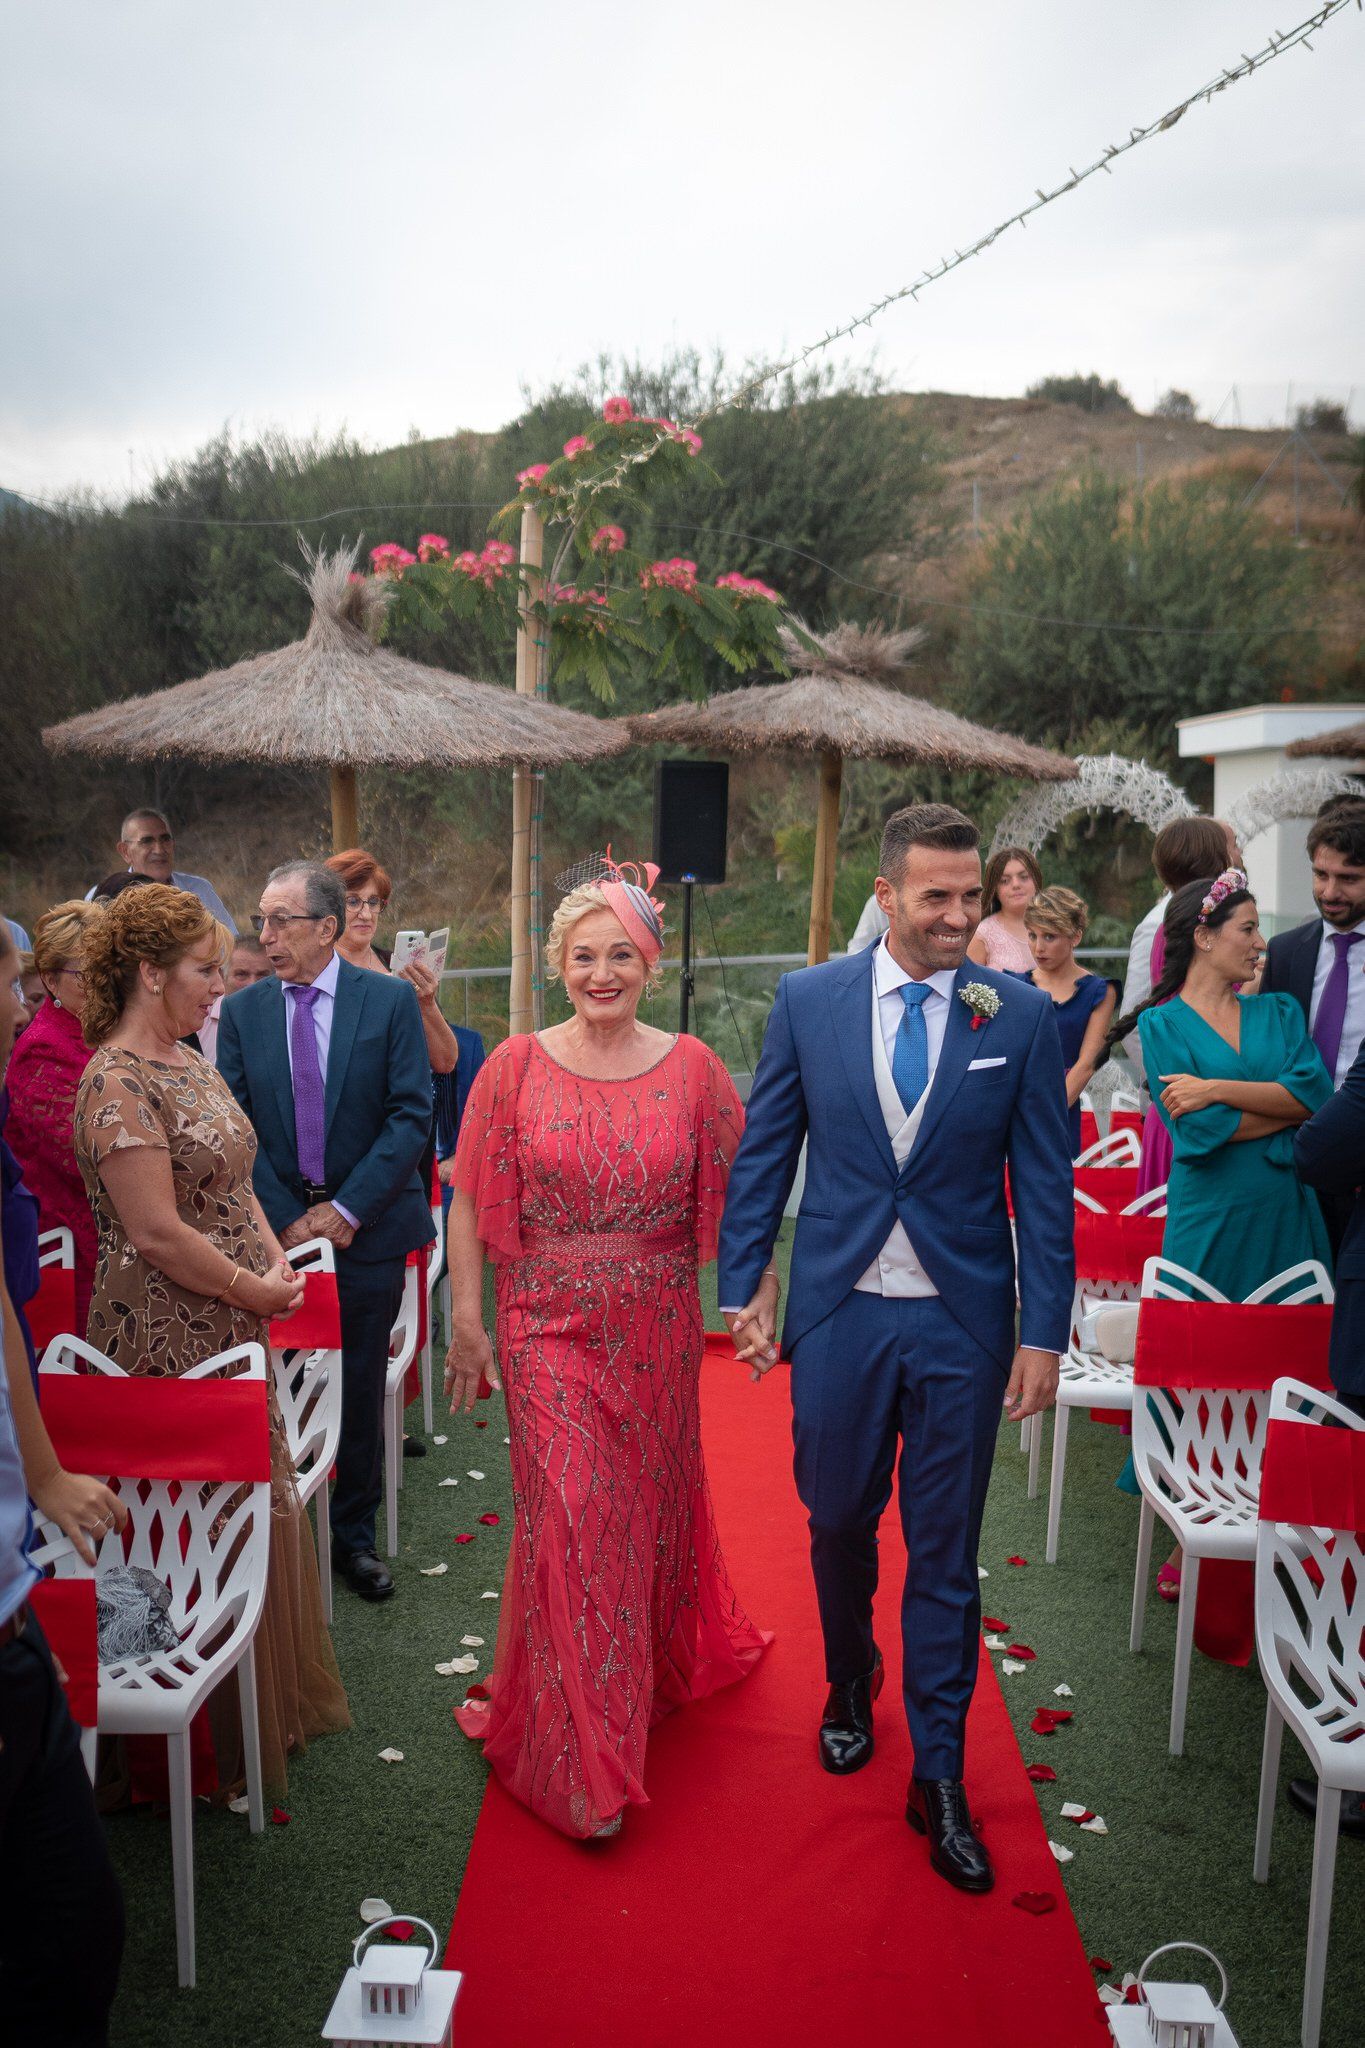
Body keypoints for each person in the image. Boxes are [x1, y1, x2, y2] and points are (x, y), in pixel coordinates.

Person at [718, 803, 1073, 1895]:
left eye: (972, 896)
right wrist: (746, 1281)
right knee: (832, 1517)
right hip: (840, 1313)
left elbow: (1046, 1187)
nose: (961, 916)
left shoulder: (1016, 1015)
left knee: (945, 1549)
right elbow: (767, 1149)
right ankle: (847, 1673)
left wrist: (1043, 1332)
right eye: (939, 897)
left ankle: (942, 1775)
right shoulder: (809, 1000)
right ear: (887, 895)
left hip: (964, 1322)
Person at [444, 855, 769, 1840]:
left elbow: (744, 1196)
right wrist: (467, 1316)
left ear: (651, 961)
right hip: (541, 1321)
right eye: (584, 955)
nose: (601, 972)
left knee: (642, 1510)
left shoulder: (697, 1069)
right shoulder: (512, 1065)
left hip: (657, 1325)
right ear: (558, 963)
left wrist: (751, 1297)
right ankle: (583, 1763)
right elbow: (470, 1197)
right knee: (576, 1511)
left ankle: (643, 1671)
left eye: (620, 953)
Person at [72, 884, 349, 1795]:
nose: (218, 988)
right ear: (150, 974)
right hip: (161, 1335)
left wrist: (277, 1267)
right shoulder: (116, 1078)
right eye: (202, 971)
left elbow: (232, 1189)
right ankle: (164, 1757)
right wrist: (250, 1291)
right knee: (173, 1529)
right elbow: (154, 1231)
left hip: (232, 1321)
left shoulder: (189, 1056)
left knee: (243, 1516)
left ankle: (238, 1726)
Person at [218, 861, 434, 1603]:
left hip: (366, 1228)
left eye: (281, 921)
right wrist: (288, 1219)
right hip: (277, 1233)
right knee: (283, 1383)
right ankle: (280, 1530)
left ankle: (354, 1538)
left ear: (327, 928)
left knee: (362, 1381)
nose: (266, 936)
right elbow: (235, 1127)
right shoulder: (245, 1014)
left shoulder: (388, 1002)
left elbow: (411, 1114)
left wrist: (343, 1212)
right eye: (261, 921)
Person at [0, 917, 128, 2047]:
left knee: (75, 1928)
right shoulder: (53, 1063)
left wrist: (39, 1468)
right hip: (86, 1298)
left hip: (9, 1604)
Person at [1261, 800, 1365, 1248]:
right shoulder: (1287, 951)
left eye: (1348, 879)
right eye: (1321, 874)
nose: (1330, 891)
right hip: (1296, 1158)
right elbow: (1268, 1054)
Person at [5, 901, 105, 1340]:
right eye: (88, 973)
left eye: (111, 967)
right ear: (49, 980)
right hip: (72, 1252)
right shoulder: (42, 1047)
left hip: (110, 1243)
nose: (104, 984)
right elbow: (84, 1155)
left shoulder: (102, 1030)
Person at [326, 848, 457, 1076]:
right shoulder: (318, 973)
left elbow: (446, 1061)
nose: (366, 914)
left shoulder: (397, 966)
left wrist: (427, 1005)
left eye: (373, 902)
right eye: (353, 901)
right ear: (328, 906)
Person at [1013, 887, 1116, 1157]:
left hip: (1064, 1107)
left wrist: (1046, 1116)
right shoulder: (1014, 985)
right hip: (1015, 1108)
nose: (1038, 947)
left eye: (1050, 936)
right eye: (1033, 935)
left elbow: (1086, 1064)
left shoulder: (1099, 991)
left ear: (1076, 937)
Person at [86, 808, 236, 932]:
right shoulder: (102, 895)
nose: (159, 849)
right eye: (147, 841)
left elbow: (230, 944)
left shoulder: (200, 890)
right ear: (125, 851)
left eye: (165, 839)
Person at [966, 844, 1043, 974]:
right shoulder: (982, 935)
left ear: (1036, 881)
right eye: (1005, 881)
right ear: (995, 889)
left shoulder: (1054, 926)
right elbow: (969, 987)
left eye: (1024, 877)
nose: (1016, 885)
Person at [199, 933, 272, 1065]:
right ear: (222, 976)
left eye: (262, 975)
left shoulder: (285, 1019)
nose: (252, 984)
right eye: (241, 974)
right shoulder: (199, 1019)